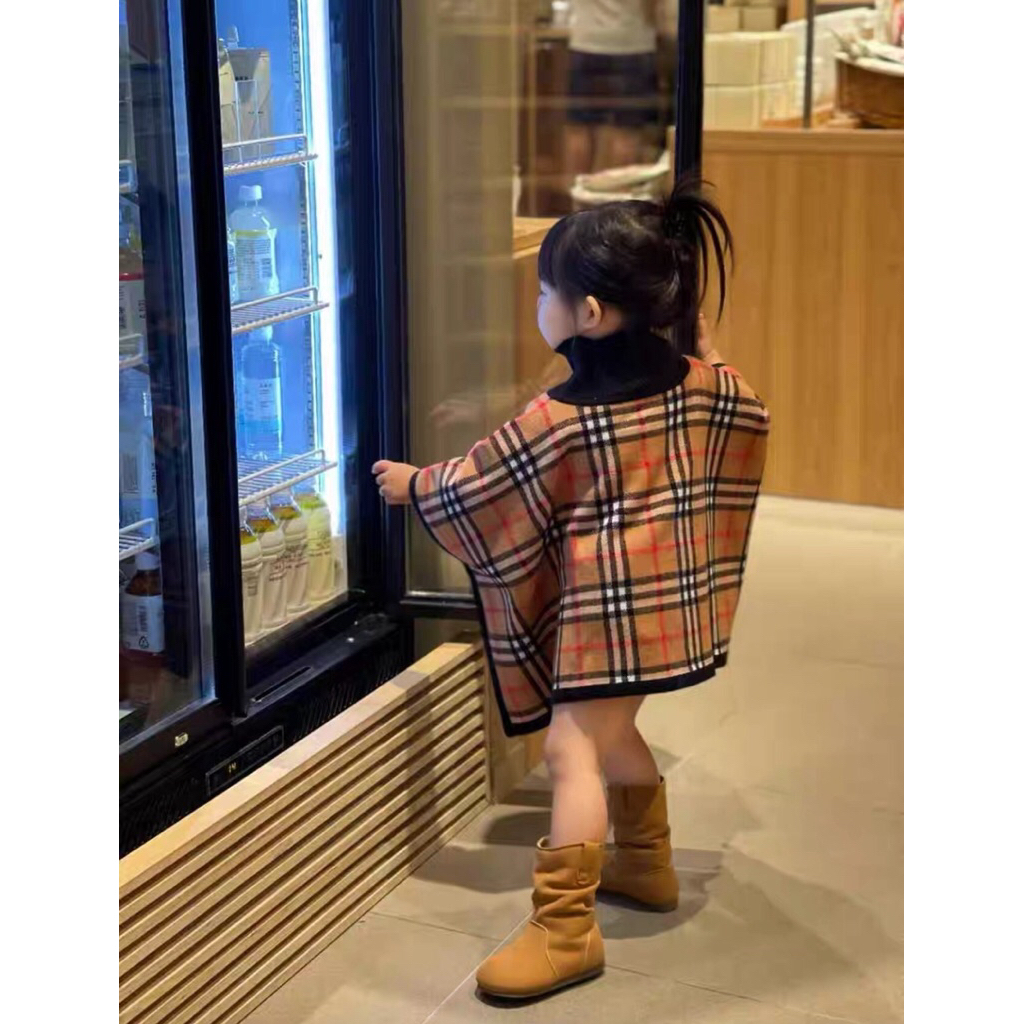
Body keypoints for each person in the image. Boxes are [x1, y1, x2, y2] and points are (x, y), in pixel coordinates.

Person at [372, 178, 769, 1002]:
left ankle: (564, 931)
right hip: (668, 610)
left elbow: (481, 483)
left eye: (543, 292)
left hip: (606, 621)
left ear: (587, 313)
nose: (538, 305)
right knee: (612, 735)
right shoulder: (701, 383)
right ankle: (647, 865)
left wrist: (416, 485)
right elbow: (743, 407)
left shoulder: (562, 417)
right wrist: (712, 347)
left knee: (570, 751)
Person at [563, 0, 665, 181]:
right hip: (633, 43)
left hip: (586, 41)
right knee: (626, 132)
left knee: (579, 128)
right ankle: (619, 194)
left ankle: (577, 192)